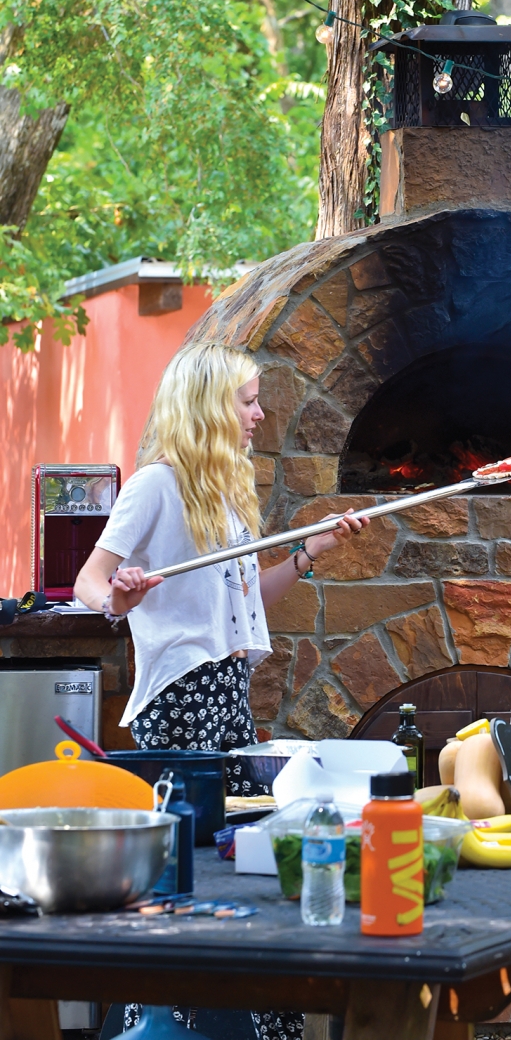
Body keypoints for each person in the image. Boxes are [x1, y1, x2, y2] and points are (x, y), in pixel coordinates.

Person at [75, 341, 369, 1040]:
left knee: (255, 882)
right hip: (179, 712)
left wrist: (308, 553)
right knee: (187, 890)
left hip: (230, 702)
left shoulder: (225, 495)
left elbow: (245, 605)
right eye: (247, 400)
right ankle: (163, 1030)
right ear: (208, 407)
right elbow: (90, 581)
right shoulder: (157, 485)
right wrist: (118, 596)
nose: (259, 414)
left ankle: (275, 1032)